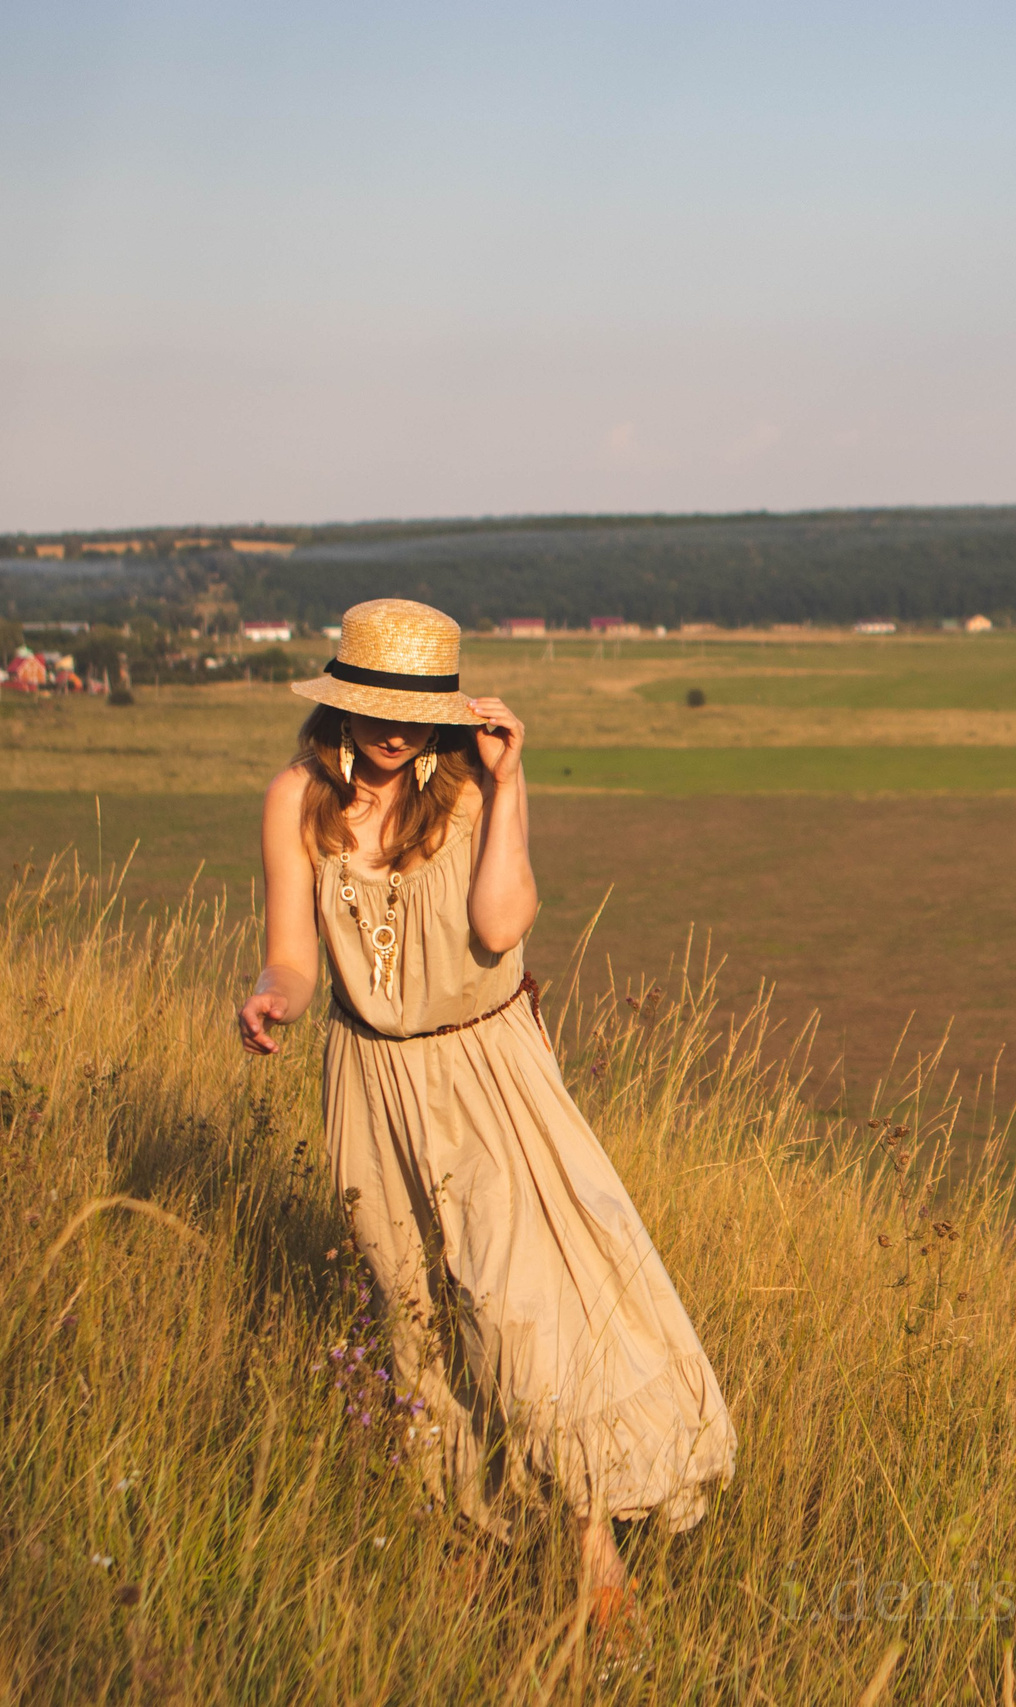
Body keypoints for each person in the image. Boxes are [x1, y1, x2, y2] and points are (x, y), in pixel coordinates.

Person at [235, 598, 733, 1637]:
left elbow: (502, 924)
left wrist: (512, 785)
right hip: (368, 1082)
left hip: (488, 1072)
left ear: (445, 714)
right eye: (375, 703)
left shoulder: (465, 793)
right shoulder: (296, 796)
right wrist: (276, 995)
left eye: (416, 708)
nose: (393, 727)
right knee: (416, 1313)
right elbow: (291, 947)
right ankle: (469, 1537)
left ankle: (596, 1556)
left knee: (525, 1306)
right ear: (340, 701)